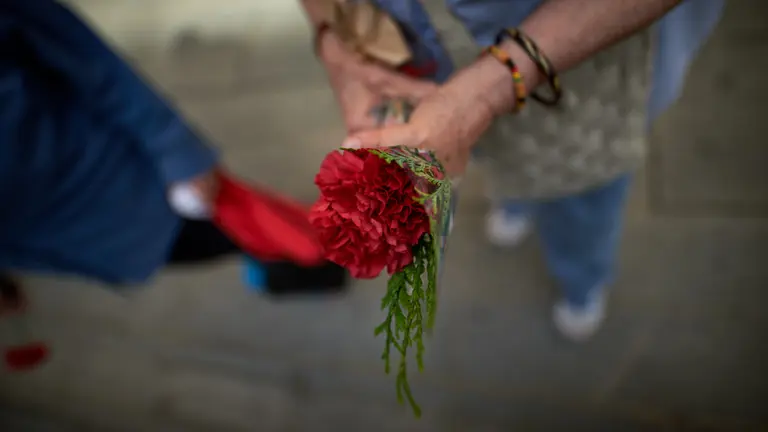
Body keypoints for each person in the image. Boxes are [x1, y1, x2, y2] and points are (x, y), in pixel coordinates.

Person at [301, 0, 725, 341]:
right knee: (485, 156)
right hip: (425, 63)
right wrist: (331, 41)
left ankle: (582, 283)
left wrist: (486, 94)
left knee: (581, 197)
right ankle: (517, 202)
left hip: (576, 66)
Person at [0, 0, 346, 304]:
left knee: (262, 229)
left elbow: (78, 52)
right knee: (249, 236)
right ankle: (300, 263)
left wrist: (176, 150)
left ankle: (329, 256)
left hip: (122, 187)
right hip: (73, 244)